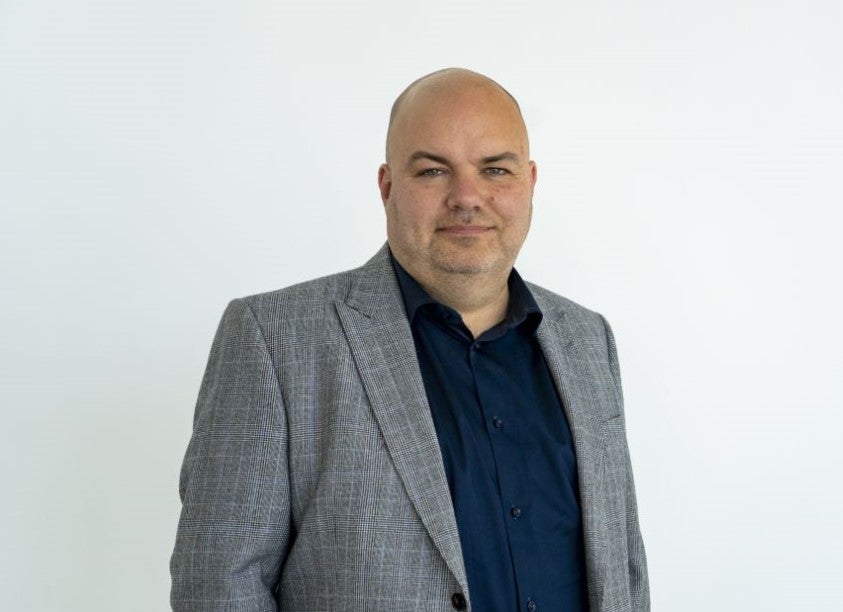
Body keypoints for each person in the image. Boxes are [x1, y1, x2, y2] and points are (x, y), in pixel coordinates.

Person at [170, 67, 649, 611]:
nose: (467, 197)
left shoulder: (588, 340)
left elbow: (624, 569)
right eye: (432, 171)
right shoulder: (274, 339)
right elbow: (217, 585)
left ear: (530, 182)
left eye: (495, 169)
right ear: (387, 187)